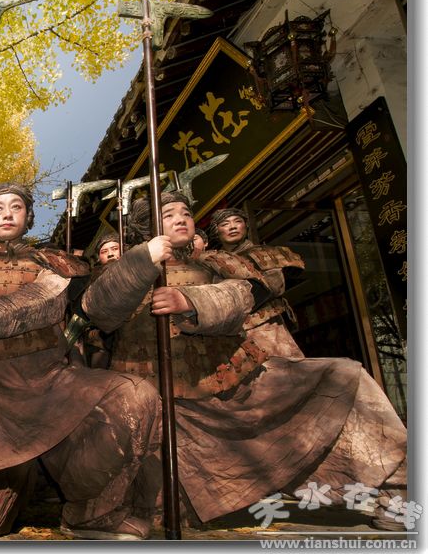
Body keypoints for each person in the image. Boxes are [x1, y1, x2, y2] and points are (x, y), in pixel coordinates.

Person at [81, 192, 407, 530]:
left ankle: (399, 491)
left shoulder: (213, 264)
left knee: (342, 376)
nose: (181, 218)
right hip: (157, 393)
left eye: (186, 212)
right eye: (168, 214)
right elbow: (100, 309)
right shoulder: (121, 270)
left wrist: (190, 300)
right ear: (146, 227)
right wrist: (143, 260)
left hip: (229, 378)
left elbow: (241, 296)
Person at [0, 183, 162, 540]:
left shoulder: (52, 263)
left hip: (48, 384)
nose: (7, 213)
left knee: (134, 395)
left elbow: (49, 300)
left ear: (28, 217)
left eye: (16, 206)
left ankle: (91, 514)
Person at [208, 207, 304, 359]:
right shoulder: (211, 263)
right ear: (216, 231)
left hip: (266, 325)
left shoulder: (264, 253)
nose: (232, 227)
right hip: (229, 333)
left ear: (245, 226)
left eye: (237, 221)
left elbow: (273, 286)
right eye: (225, 224)